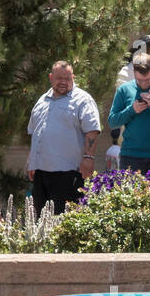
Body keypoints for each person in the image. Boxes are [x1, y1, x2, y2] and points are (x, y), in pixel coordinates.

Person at [26, 60, 101, 214]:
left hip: (67, 173)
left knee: (63, 219)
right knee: (39, 218)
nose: (63, 82)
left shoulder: (83, 100)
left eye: (67, 78)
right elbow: (36, 133)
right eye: (59, 78)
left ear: (73, 77)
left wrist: (88, 158)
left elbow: (92, 131)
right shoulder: (42, 100)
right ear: (51, 77)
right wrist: (31, 161)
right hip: (41, 172)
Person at [108, 53, 150, 176]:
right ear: (134, 72)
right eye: (140, 80)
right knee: (130, 194)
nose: (144, 84)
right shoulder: (124, 89)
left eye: (148, 80)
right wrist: (132, 109)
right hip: (130, 155)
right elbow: (113, 121)